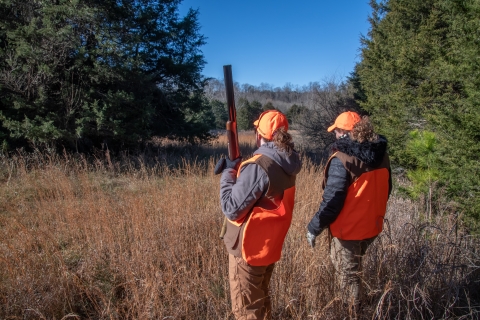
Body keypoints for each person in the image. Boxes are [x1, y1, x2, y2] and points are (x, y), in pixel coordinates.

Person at [217, 110, 302, 320]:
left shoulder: (259, 166)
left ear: (259, 134)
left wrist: (229, 172)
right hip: (268, 247)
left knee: (247, 311)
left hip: (249, 250)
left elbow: (231, 208)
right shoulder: (286, 162)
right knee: (261, 304)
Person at [306, 111, 392, 311]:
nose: (334, 134)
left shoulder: (342, 159)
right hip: (372, 227)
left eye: (336, 131)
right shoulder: (382, 155)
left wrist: (313, 227)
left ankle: (352, 313)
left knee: (348, 278)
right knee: (356, 271)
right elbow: (387, 189)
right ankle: (361, 307)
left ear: (344, 133)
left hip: (349, 231)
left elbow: (332, 202)